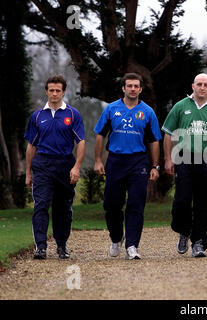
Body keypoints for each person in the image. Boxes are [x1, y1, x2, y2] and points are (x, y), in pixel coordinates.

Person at [94, 73, 161, 260]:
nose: (132, 89)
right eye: (129, 86)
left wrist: (155, 166)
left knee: (136, 204)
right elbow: (100, 134)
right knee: (111, 204)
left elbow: (155, 140)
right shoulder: (111, 109)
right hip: (115, 160)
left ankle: (132, 245)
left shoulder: (147, 112)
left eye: (136, 86)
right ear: (123, 88)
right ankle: (116, 238)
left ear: (140, 89)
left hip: (138, 161)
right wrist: (98, 160)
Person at [162, 73, 207, 258]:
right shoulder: (181, 106)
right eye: (199, 84)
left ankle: (198, 241)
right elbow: (167, 133)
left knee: (203, 203)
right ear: (193, 86)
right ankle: (183, 230)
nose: (202, 87)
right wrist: (168, 158)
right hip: (184, 157)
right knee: (182, 200)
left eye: (206, 84)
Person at [24, 75, 85, 260]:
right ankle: (40, 247)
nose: (55, 93)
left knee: (63, 208)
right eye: (51, 90)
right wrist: (28, 173)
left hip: (65, 164)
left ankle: (61, 245)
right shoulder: (37, 116)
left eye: (58, 90)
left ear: (63, 92)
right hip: (42, 164)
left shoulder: (72, 114)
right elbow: (31, 146)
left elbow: (81, 142)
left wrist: (76, 167)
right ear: (46, 91)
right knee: (41, 205)